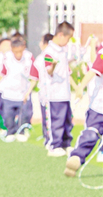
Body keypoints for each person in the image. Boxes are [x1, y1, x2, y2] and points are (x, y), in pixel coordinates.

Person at [0, 38, 38, 142]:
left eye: (20, 51)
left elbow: (34, 77)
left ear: (24, 48)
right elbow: (2, 73)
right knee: (8, 115)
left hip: (23, 92)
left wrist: (28, 92)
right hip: (9, 92)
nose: (18, 54)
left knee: (24, 114)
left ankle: (21, 132)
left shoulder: (29, 57)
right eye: (16, 52)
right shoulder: (7, 58)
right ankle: (10, 132)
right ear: (12, 49)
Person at [66, 49, 103, 176]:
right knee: (91, 134)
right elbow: (93, 70)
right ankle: (76, 158)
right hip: (99, 108)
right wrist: (81, 87)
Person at [43, 22, 74, 157]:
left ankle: (66, 144)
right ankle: (54, 145)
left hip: (65, 93)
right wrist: (54, 66)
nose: (68, 42)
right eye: (68, 38)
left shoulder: (62, 50)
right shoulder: (49, 51)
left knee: (67, 120)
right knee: (57, 120)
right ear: (60, 35)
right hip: (55, 93)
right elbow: (48, 70)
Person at [34, 33, 54, 146]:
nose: (40, 44)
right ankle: (48, 138)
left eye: (42, 41)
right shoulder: (40, 58)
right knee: (46, 116)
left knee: (51, 117)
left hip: (52, 92)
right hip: (44, 92)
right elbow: (34, 76)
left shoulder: (48, 56)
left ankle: (51, 139)